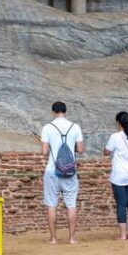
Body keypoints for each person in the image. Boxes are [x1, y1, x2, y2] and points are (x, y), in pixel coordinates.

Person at [39, 101, 84, 244]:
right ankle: (72, 238)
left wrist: (49, 146)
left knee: (52, 204)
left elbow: (44, 152)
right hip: (69, 171)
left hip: (52, 170)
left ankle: (53, 238)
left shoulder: (47, 127)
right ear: (66, 112)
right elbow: (81, 149)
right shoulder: (75, 127)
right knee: (71, 204)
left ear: (53, 112)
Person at [104, 111, 128, 240]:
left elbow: (106, 152)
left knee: (121, 204)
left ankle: (123, 235)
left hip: (119, 175)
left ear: (118, 122)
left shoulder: (115, 136)